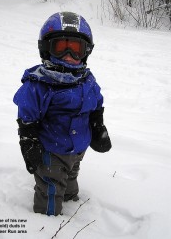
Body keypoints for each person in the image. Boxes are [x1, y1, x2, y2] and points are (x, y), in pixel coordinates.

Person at [13, 12, 112, 216]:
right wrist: (28, 141)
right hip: (52, 151)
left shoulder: (87, 80)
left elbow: (97, 104)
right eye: (61, 48)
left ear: (85, 52)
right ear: (47, 49)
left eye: (76, 49)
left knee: (70, 177)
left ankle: (70, 199)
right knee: (51, 187)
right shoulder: (39, 84)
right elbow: (27, 115)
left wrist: (97, 125)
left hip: (78, 148)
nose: (69, 54)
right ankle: (46, 222)